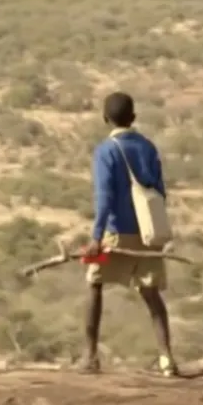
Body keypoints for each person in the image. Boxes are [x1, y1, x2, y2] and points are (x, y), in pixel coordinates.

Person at [73, 91, 178, 376]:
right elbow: (160, 191)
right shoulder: (148, 147)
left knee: (95, 283)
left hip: (116, 234)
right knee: (151, 292)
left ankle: (90, 357)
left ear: (105, 118)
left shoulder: (106, 151)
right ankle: (167, 358)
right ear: (133, 117)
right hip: (148, 235)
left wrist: (96, 237)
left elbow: (105, 197)